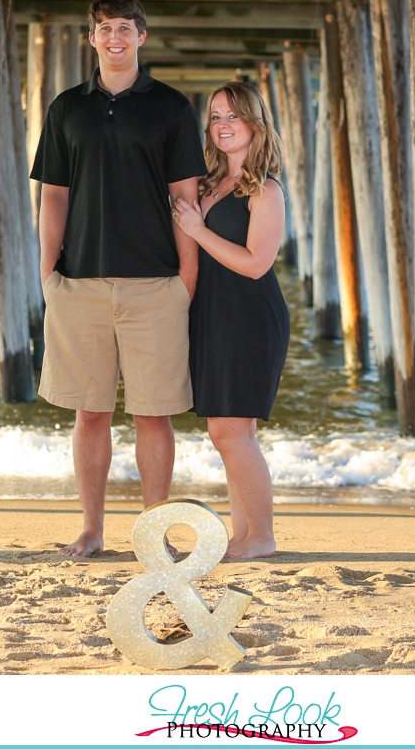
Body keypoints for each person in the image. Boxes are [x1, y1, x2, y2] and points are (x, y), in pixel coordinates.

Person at [31, 0, 204, 558]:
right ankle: (92, 529)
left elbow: (186, 198)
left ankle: (153, 536)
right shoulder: (66, 109)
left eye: (125, 28)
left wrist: (187, 276)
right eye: (105, 29)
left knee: (154, 414)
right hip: (79, 283)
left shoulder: (172, 107)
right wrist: (47, 272)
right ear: (92, 38)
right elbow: (53, 195)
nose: (114, 38)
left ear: (141, 38)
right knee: (91, 413)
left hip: (154, 283)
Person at [172, 82, 291, 559]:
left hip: (249, 316)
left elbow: (256, 263)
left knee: (229, 432)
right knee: (233, 434)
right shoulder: (211, 183)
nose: (222, 125)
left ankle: (262, 537)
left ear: (255, 126)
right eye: (216, 116)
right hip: (214, 316)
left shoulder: (265, 189)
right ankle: (243, 536)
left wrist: (198, 230)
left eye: (232, 117)